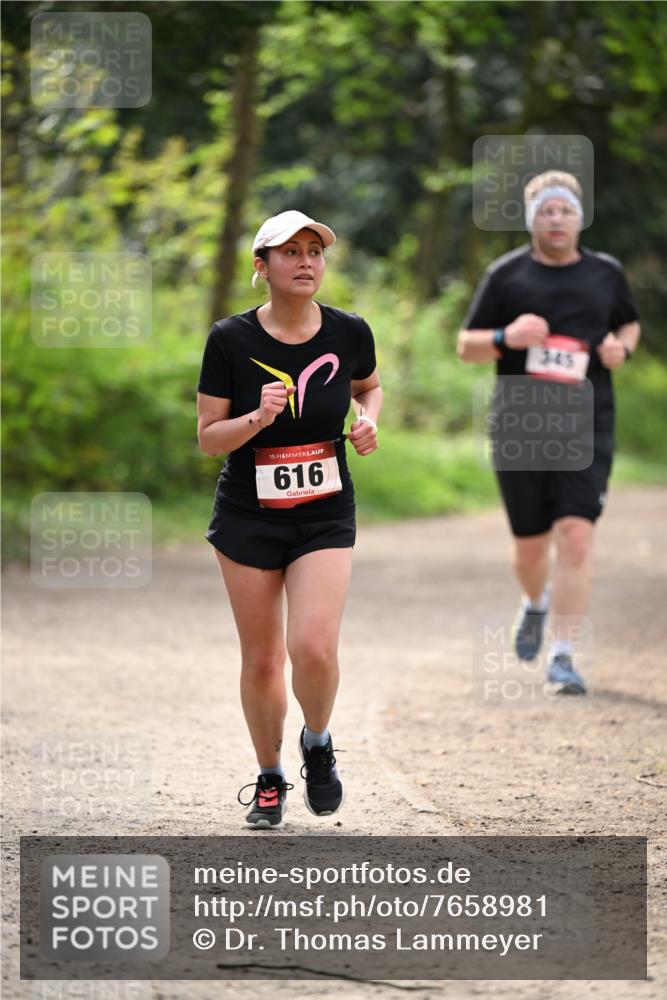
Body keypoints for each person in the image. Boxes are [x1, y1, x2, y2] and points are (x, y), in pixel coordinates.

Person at [197, 209, 382, 827]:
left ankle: (318, 742)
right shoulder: (230, 339)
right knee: (262, 661)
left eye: (314, 251)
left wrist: (368, 420)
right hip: (248, 514)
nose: (306, 262)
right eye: (290, 252)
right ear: (262, 266)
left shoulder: (350, 331)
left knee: (313, 648)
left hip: (325, 511)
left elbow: (368, 386)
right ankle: (270, 775)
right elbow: (209, 438)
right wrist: (257, 418)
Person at [458, 170, 640, 694]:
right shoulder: (506, 275)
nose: (556, 218)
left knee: (577, 536)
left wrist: (622, 348)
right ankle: (535, 602)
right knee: (531, 548)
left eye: (565, 210)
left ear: (580, 217)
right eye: (546, 210)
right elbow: (466, 346)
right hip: (521, 423)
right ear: (531, 219)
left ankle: (563, 657)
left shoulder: (606, 273)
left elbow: (628, 322)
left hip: (587, 423)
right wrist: (505, 335)